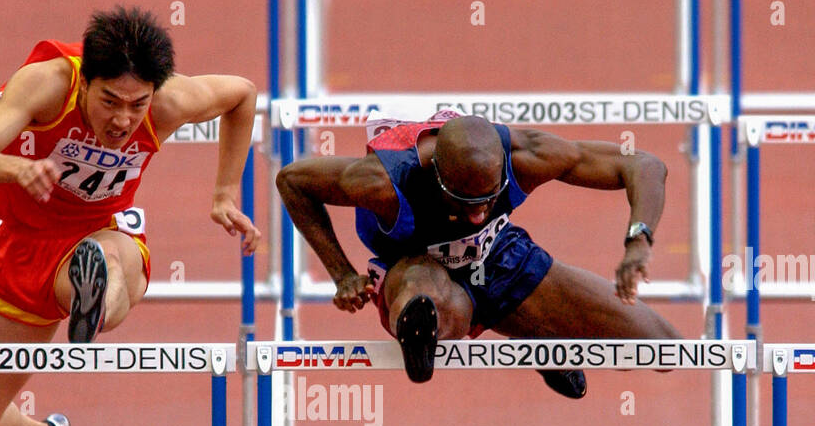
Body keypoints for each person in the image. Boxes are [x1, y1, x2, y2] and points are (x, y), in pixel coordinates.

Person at [0, 6, 259, 426]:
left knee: (107, 263)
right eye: (111, 101)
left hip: (106, 231)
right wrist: (14, 170)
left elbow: (242, 94)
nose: (123, 119)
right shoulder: (46, 84)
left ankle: (94, 301)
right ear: (85, 82)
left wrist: (224, 193)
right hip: (25, 244)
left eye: (137, 104)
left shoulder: (169, 101)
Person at [275, 110, 680, 390]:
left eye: (487, 200)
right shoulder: (382, 180)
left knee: (667, 350)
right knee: (427, 298)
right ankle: (423, 334)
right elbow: (293, 181)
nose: (475, 215)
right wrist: (342, 273)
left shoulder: (529, 156)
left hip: (499, 256)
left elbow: (642, 164)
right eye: (462, 201)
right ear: (437, 175)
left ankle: (535, 335)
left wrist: (638, 239)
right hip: (415, 264)